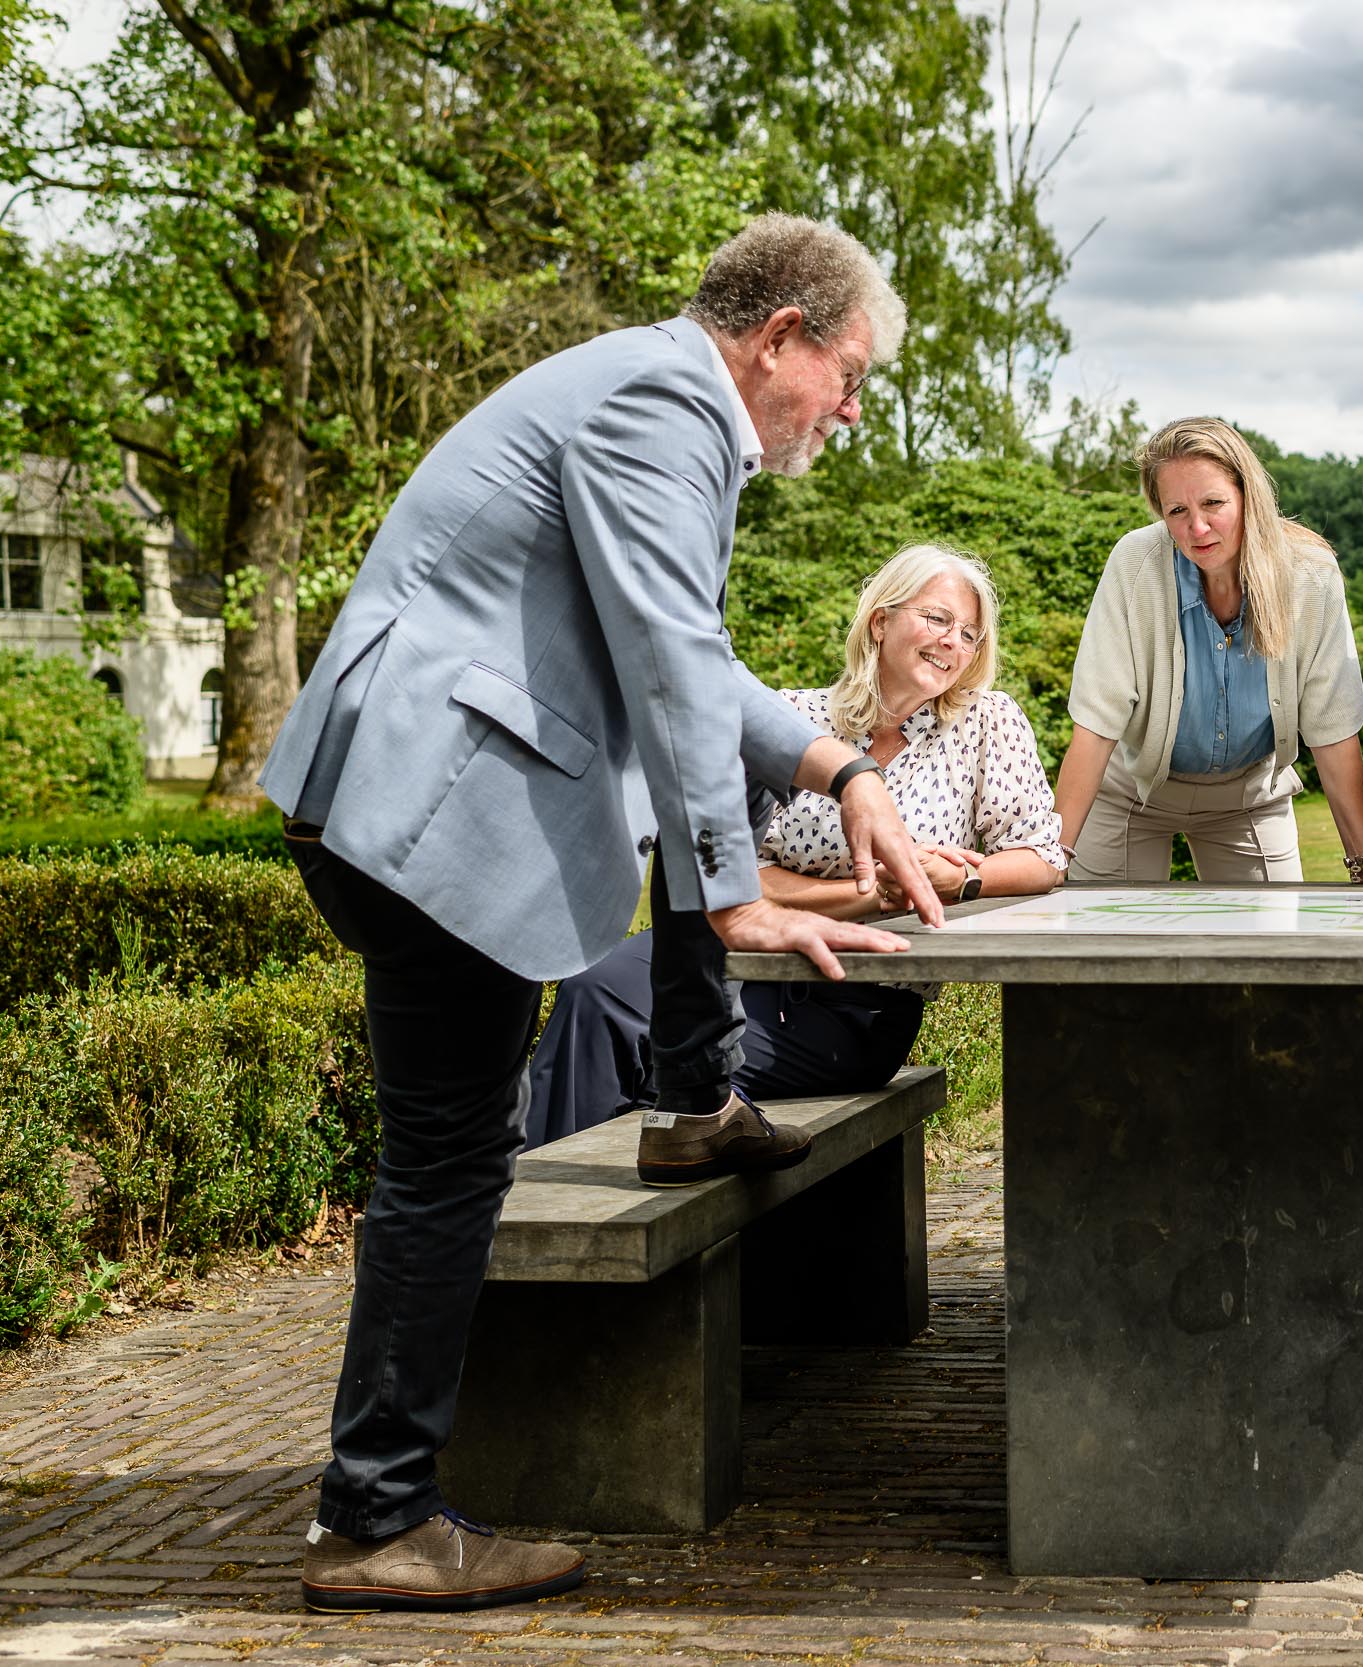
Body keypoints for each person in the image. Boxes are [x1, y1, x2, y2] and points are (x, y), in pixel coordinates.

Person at [259, 214, 940, 1613]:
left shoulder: (654, 395)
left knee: (446, 1153)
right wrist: (738, 892)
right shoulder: (662, 402)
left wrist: (841, 765)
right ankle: (375, 1515)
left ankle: (697, 1101)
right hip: (435, 811)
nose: (852, 408)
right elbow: (677, 664)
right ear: (781, 339)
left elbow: (689, 659)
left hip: (424, 801)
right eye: (852, 373)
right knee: (449, 1164)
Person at [527, 544, 1066, 1148]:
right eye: (938, 618)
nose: (953, 642)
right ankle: (542, 1206)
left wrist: (960, 882)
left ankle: (560, 1214)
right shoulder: (793, 718)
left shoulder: (986, 722)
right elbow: (734, 872)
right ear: (880, 621)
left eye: (970, 634)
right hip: (731, 957)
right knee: (590, 990)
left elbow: (1042, 858)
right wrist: (868, 894)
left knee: (628, 1048)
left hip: (852, 1000)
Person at [1053, 416, 1363, 885]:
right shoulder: (1135, 563)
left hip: (1248, 797)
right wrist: (1054, 857)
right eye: (1176, 511)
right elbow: (1096, 721)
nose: (1197, 527)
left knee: (1270, 953)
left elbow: (1331, 725)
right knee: (1107, 943)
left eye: (1213, 503)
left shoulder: (1311, 574)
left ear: (1248, 495)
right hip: (1130, 791)